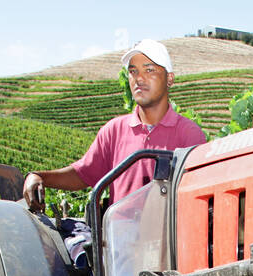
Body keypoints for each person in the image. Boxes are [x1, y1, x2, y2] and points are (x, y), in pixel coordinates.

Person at [22, 40, 206, 210]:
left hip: (168, 244)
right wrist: (39, 176)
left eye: (149, 70)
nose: (139, 79)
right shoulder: (114, 131)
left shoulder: (189, 135)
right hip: (120, 241)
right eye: (133, 71)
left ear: (170, 79)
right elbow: (82, 174)